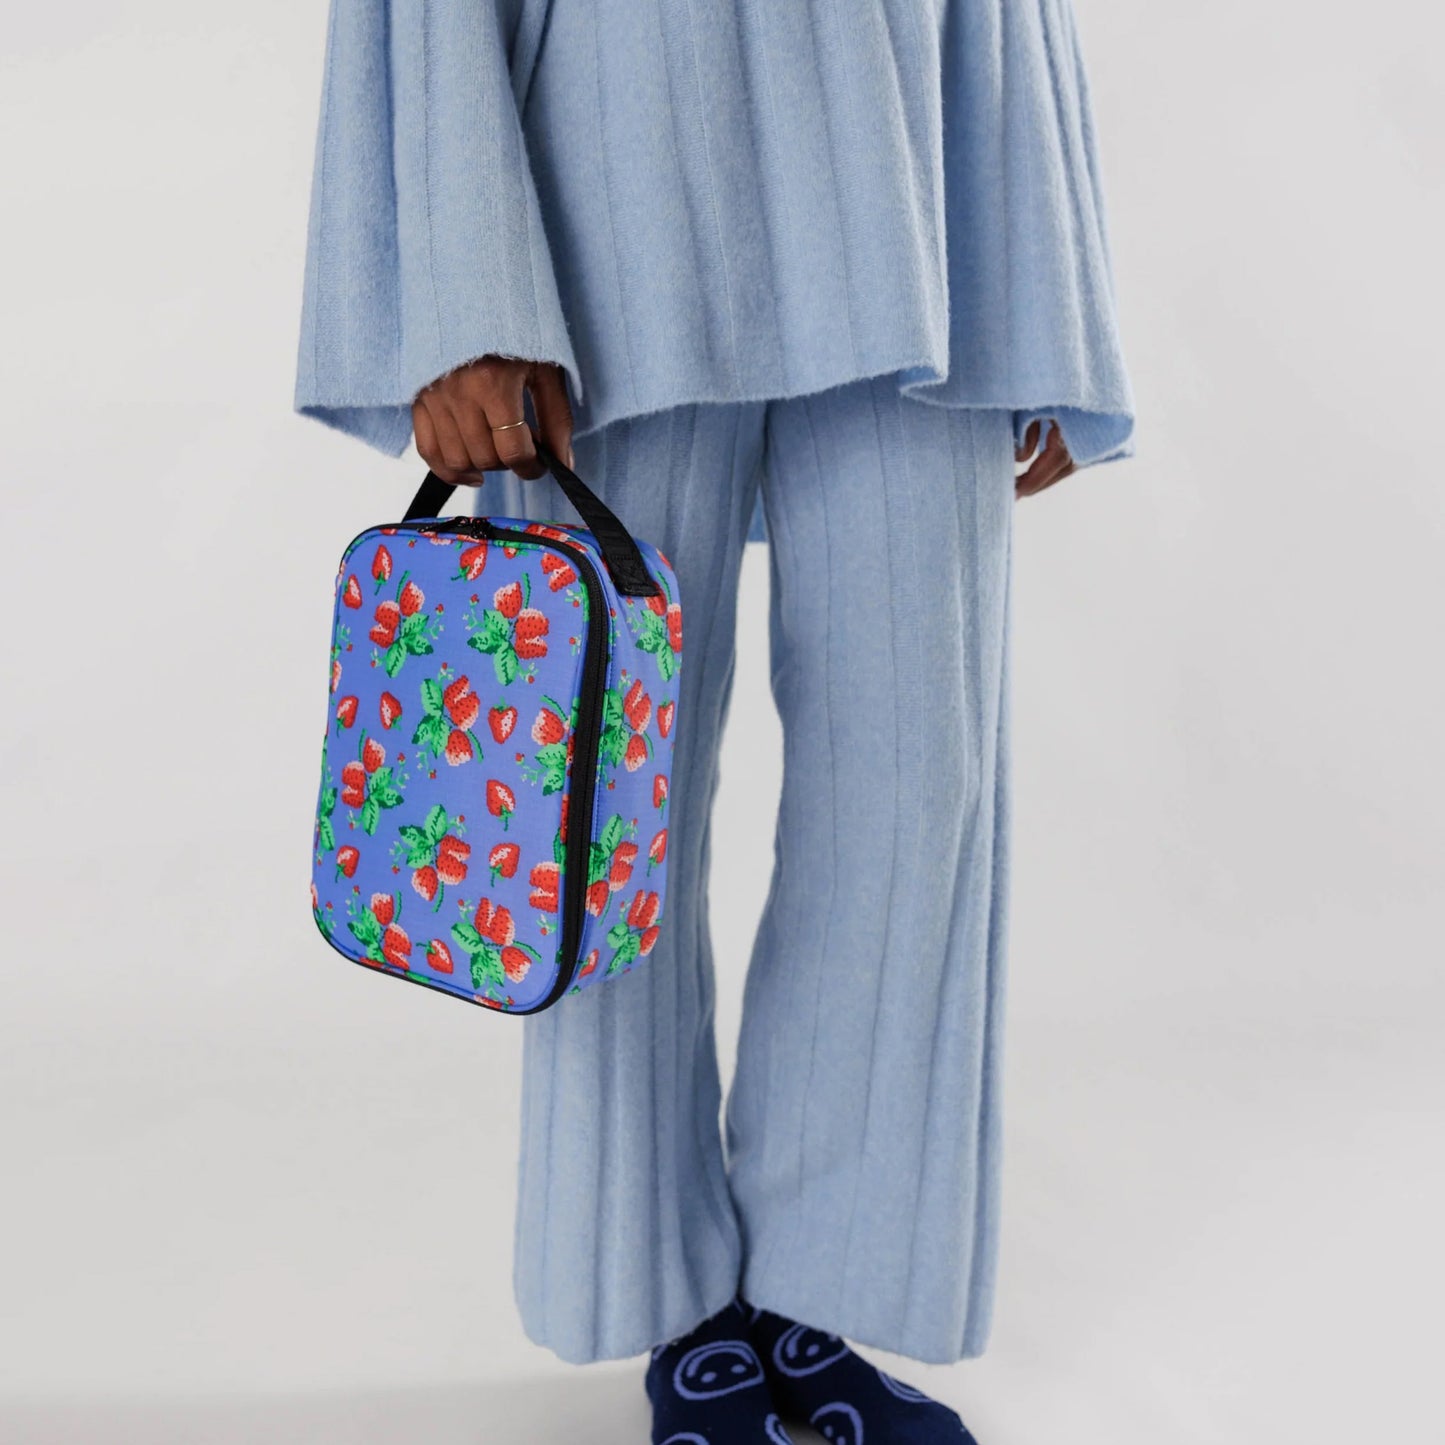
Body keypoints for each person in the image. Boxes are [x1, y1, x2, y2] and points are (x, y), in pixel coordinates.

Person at [296, 1, 1134, 1439]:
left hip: (925, 199)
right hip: (606, 210)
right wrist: (464, 294)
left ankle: (822, 1285)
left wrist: (1041, 281)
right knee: (601, 818)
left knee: (917, 782)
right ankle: (664, 1299)